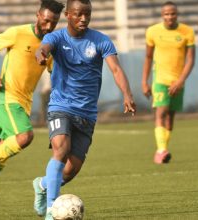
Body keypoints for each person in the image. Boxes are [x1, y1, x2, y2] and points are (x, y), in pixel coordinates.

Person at [32, 0, 137, 219]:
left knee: (70, 171)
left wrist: (127, 94)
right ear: (68, 15)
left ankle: (42, 184)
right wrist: (41, 54)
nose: (83, 19)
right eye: (79, 14)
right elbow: (44, 47)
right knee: (60, 149)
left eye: (87, 14)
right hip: (60, 106)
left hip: (87, 113)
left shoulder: (101, 40)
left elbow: (116, 69)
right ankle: (51, 210)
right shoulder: (57, 37)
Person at [0, 0, 64, 205]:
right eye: (45, 21)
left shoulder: (50, 46)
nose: (48, 27)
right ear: (38, 15)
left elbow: (55, 76)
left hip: (24, 103)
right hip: (7, 96)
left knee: (5, 151)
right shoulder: (18, 33)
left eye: (53, 23)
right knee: (25, 137)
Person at [141, 1, 195, 164]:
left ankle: (163, 149)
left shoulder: (187, 31)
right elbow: (148, 57)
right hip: (160, 80)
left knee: (170, 118)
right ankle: (161, 151)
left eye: (172, 13)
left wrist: (180, 81)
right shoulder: (152, 31)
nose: (169, 16)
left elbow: (191, 60)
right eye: (166, 14)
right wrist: (145, 81)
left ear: (177, 14)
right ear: (162, 15)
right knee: (161, 113)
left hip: (178, 82)